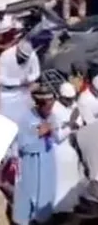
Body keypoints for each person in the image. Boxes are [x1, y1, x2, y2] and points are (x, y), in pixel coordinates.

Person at [12, 86, 56, 225]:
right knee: (27, 199)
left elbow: (53, 138)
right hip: (31, 166)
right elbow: (23, 145)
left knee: (45, 200)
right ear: (39, 104)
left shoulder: (51, 116)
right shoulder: (26, 119)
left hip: (47, 164)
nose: (50, 110)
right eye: (47, 107)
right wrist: (38, 133)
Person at [51, 81, 84, 214]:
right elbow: (56, 136)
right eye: (68, 99)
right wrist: (70, 126)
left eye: (72, 99)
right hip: (59, 152)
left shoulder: (74, 106)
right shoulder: (53, 110)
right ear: (60, 97)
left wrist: (75, 125)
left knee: (73, 182)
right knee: (60, 185)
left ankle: (72, 207)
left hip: (72, 150)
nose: (70, 102)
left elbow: (79, 122)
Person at [0, 39, 40, 126]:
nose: (23, 61)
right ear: (17, 50)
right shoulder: (5, 55)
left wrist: (28, 79)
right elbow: (0, 79)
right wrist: (19, 82)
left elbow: (36, 72)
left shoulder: (32, 55)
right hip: (7, 94)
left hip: (23, 92)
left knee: (25, 122)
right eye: (21, 58)